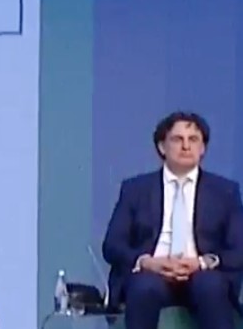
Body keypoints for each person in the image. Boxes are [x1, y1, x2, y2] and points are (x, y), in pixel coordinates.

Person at [101, 111, 243, 329]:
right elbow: (112, 245)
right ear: (162, 147)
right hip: (152, 272)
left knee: (211, 285)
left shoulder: (225, 192)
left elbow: (239, 248)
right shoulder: (135, 189)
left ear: (203, 148)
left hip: (202, 273)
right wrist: (147, 262)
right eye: (177, 139)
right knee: (143, 286)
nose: (186, 146)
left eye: (193, 140)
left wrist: (202, 262)